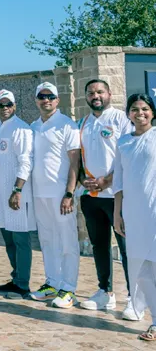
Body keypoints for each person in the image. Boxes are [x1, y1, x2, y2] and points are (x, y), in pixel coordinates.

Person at [77, 80, 138, 319]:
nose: (96, 96)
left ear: (109, 94)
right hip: (91, 197)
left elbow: (126, 157)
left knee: (126, 249)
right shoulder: (83, 123)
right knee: (99, 246)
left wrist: (107, 181)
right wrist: (83, 179)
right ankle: (105, 291)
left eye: (100, 92)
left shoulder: (121, 120)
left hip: (117, 197)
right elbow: (78, 159)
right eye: (91, 92)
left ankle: (135, 298)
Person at [28, 82, 81, 308]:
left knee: (67, 241)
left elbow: (74, 162)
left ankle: (68, 288)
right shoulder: (33, 125)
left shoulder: (67, 125)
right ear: (37, 100)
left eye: (50, 96)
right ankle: (52, 283)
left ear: (57, 100)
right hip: (39, 194)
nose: (46, 100)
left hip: (61, 194)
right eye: (42, 96)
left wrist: (69, 193)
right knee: (47, 240)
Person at [113, 93, 156, 341]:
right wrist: (118, 213)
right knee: (140, 270)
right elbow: (118, 180)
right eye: (134, 109)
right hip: (133, 212)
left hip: (154, 210)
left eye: (145, 108)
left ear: (152, 111)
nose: (140, 113)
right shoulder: (123, 142)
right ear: (128, 114)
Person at [0, 90, 35, 300]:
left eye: (8, 104)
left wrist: (17, 190)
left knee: (20, 238)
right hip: (0, 196)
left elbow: (26, 161)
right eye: (1, 105)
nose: (5, 108)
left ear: (15, 106)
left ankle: (23, 284)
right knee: (8, 238)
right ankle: (15, 277)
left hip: (16, 194)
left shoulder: (21, 129)